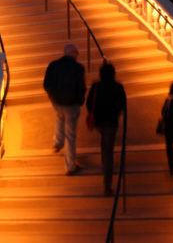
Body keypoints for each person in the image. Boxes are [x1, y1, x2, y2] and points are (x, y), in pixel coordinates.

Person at [42, 43, 86, 175]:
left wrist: (53, 96)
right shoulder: (78, 68)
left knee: (60, 118)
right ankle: (70, 165)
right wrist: (79, 101)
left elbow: (46, 84)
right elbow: (81, 88)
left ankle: (57, 143)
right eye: (77, 54)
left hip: (57, 102)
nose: (77, 57)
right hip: (72, 105)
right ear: (73, 54)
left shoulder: (53, 65)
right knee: (71, 135)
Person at [86, 62, 126, 196]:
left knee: (105, 143)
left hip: (99, 121)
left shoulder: (96, 86)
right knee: (109, 148)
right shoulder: (118, 87)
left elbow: (89, 103)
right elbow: (122, 104)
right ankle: (107, 184)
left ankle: (105, 164)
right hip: (111, 121)